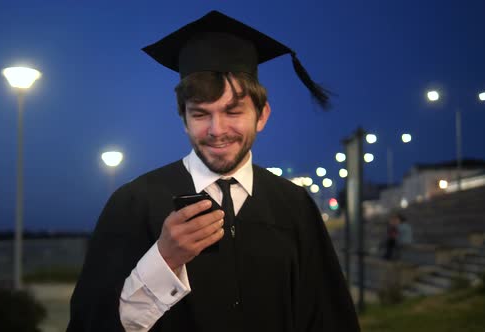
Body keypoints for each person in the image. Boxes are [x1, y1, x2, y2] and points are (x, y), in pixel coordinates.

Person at [67, 10, 360, 332]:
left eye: (233, 111)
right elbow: (91, 322)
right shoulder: (134, 203)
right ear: (183, 119)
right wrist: (164, 259)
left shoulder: (293, 205)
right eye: (200, 114)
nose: (217, 130)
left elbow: (327, 317)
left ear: (262, 115)